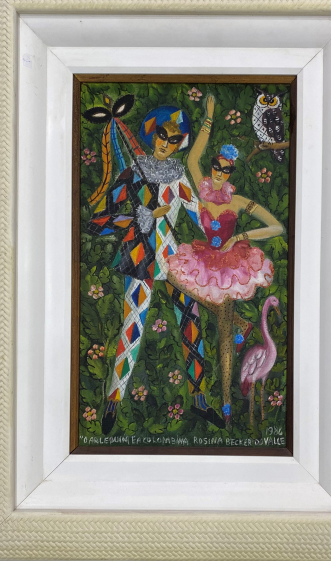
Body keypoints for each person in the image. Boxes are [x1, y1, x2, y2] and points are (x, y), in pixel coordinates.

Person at [87, 103, 225, 434]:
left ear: (181, 144)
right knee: (132, 328)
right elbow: (99, 222)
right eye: (162, 135)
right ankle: (113, 400)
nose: (165, 143)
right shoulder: (132, 173)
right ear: (152, 134)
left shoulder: (178, 177)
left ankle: (199, 401)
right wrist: (141, 217)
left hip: (175, 259)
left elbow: (199, 215)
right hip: (141, 258)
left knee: (191, 323)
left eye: (174, 139)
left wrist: (222, 238)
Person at [166, 97, 283, 424]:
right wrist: (209, 117)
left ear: (231, 173)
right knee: (170, 276)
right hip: (203, 258)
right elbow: (192, 158)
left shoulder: (239, 201)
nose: (218, 173)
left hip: (231, 264)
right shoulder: (203, 194)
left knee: (223, 333)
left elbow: (276, 226)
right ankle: (242, 324)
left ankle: (228, 403)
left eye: (225, 170)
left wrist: (241, 236)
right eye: (216, 167)